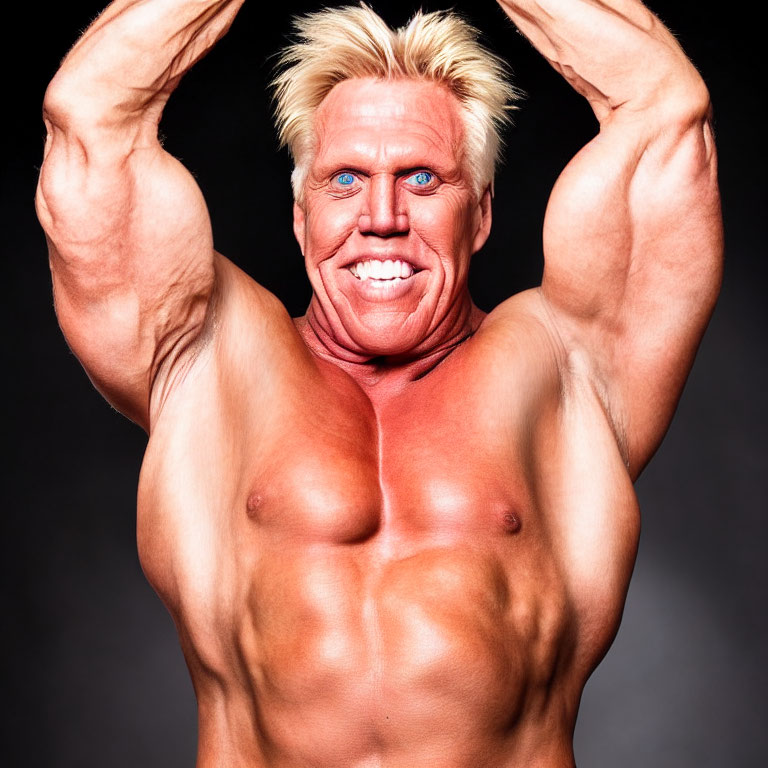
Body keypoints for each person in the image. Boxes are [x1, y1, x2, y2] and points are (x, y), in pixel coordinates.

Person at [36, 0, 722, 764]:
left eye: (423, 178)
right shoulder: (202, 359)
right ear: (300, 217)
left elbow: (666, 109)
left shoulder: (575, 367)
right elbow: (91, 115)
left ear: (483, 211)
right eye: (345, 180)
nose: (383, 216)